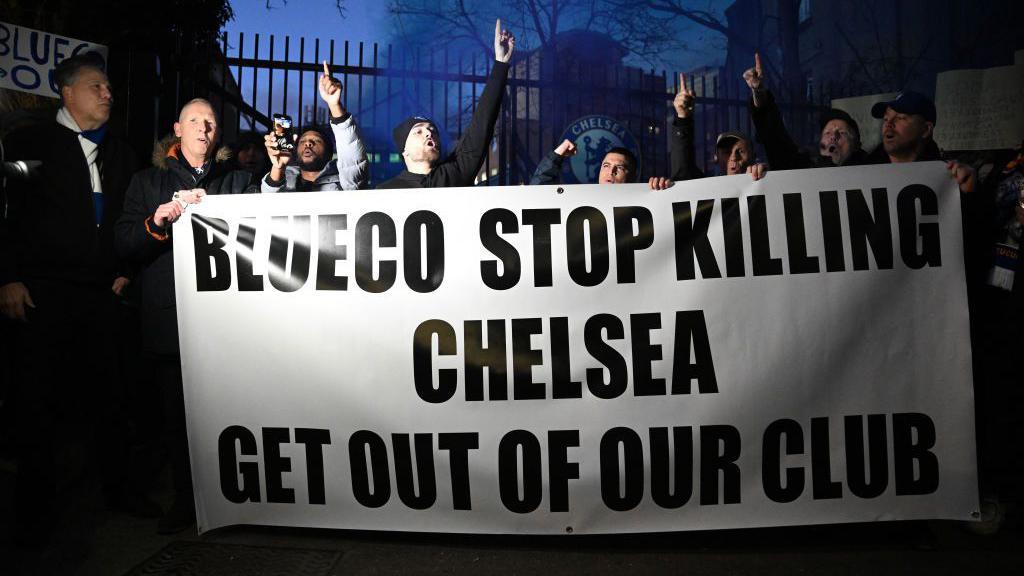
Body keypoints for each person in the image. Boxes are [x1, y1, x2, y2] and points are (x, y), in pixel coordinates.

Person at [0, 51, 139, 572]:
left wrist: (125, 269)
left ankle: (119, 494)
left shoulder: (120, 152)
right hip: (43, 293)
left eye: (108, 86)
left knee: (111, 398)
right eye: (96, 85)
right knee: (38, 406)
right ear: (66, 91)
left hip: (101, 294)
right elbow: (7, 209)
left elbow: (125, 218)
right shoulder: (31, 144)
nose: (107, 93)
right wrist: (7, 276)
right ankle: (33, 517)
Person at [115, 98, 252, 534]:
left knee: (228, 411)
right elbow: (124, 243)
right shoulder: (146, 182)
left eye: (210, 122)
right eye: (195, 120)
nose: (203, 129)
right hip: (169, 317)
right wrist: (156, 223)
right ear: (177, 128)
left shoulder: (236, 181)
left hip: (227, 321)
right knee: (177, 416)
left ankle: (234, 497)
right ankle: (186, 499)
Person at [376, 20, 514, 189]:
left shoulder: (455, 173)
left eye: (432, 130)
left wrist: (500, 64)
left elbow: (481, 124)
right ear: (404, 150)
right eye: (418, 131)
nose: (429, 132)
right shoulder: (386, 191)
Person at [743, 53, 869, 169]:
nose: (833, 137)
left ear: (856, 145)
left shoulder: (872, 169)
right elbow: (777, 141)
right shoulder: (804, 169)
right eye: (827, 133)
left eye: (842, 133)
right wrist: (759, 93)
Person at [261, 61, 368, 192]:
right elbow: (268, 201)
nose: (308, 144)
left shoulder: (345, 182)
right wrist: (278, 168)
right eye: (302, 141)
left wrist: (334, 105)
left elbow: (352, 160)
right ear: (295, 150)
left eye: (317, 140)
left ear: (329, 152)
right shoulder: (284, 179)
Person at [866, 91, 977, 193]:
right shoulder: (863, 170)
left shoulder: (950, 176)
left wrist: (970, 192)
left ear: (926, 129)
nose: (888, 124)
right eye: (886, 119)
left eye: (900, 118)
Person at [669, 72, 768, 181]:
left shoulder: (765, 179)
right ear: (716, 158)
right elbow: (683, 171)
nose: (733, 157)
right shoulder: (706, 186)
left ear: (752, 156)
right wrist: (683, 118)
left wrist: (766, 177)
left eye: (741, 151)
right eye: (726, 152)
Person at [529, 141, 676, 190]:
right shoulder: (581, 201)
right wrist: (557, 155)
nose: (611, 171)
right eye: (606, 165)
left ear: (633, 176)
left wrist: (665, 191)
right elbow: (536, 195)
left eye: (619, 168)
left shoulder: (645, 202)